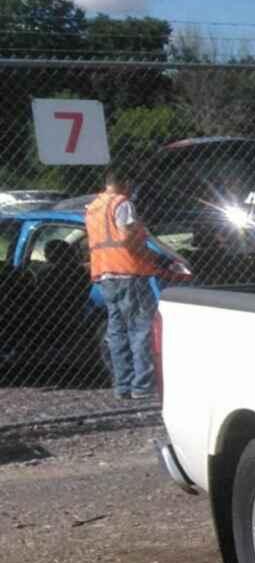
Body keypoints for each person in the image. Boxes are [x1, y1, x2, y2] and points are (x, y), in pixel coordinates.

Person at [85, 167, 167, 400]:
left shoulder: (93, 208)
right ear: (125, 183)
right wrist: (149, 257)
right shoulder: (122, 204)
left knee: (117, 331)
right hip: (129, 273)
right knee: (140, 330)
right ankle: (142, 386)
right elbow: (125, 237)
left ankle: (123, 385)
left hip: (105, 275)